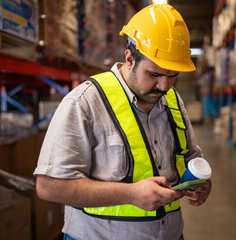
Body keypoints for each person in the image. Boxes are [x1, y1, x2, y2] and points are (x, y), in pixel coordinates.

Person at [34, 4, 212, 240]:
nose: (165, 86)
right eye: (155, 74)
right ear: (130, 58)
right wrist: (130, 194)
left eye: (173, 75)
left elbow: (191, 156)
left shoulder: (173, 99)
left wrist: (199, 181)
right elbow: (49, 186)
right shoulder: (85, 102)